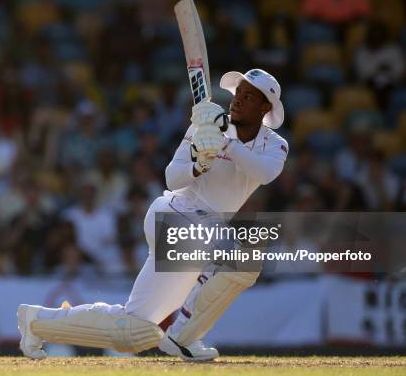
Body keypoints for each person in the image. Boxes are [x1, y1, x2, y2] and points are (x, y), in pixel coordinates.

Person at [17, 69, 288, 361]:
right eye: (238, 93)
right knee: (241, 257)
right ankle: (183, 337)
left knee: (134, 331)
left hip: (204, 230)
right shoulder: (206, 123)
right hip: (176, 214)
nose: (237, 101)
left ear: (265, 108)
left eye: (247, 97)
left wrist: (224, 143)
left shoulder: (275, 144)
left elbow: (265, 172)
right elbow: (173, 177)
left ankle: (37, 321)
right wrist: (197, 164)